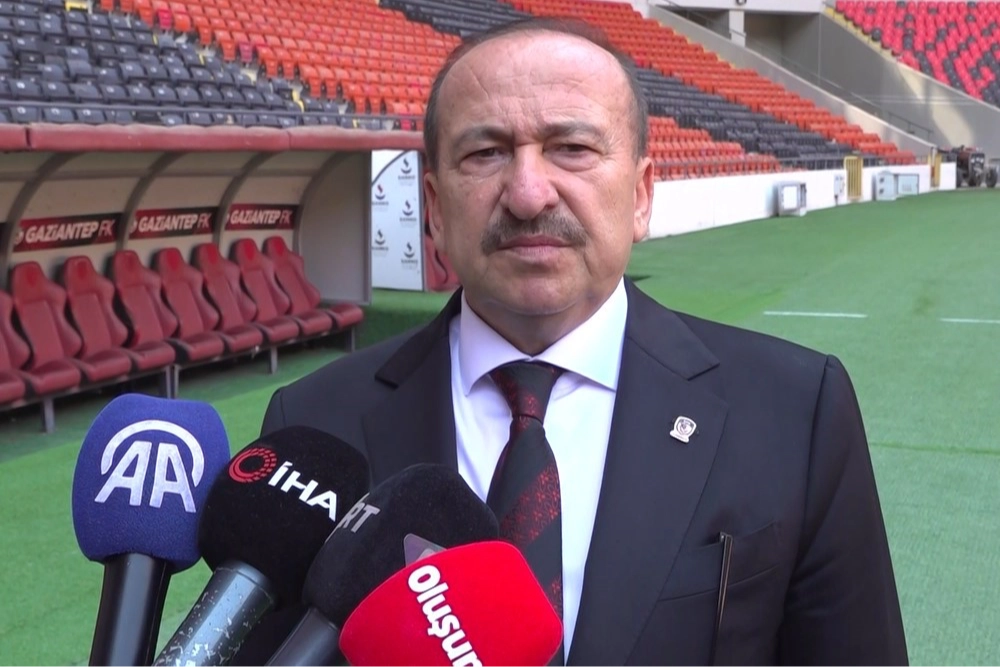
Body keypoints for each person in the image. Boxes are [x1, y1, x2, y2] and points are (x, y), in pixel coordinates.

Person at [248, 17, 909, 667]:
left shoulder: (794, 412)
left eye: (571, 147)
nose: (528, 194)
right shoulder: (311, 427)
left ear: (642, 196)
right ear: (436, 209)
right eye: (485, 154)